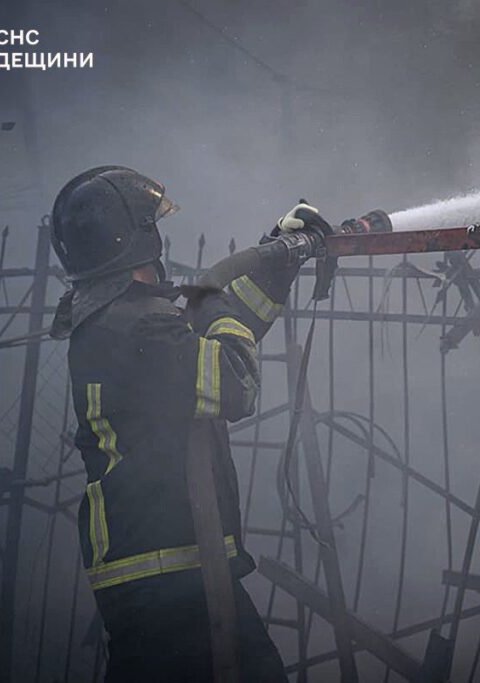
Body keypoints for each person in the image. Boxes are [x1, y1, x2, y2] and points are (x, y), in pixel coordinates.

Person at [49, 166, 328, 681]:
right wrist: (213, 300)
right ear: (136, 238)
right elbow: (235, 381)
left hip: (166, 571)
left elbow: (221, 336)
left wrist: (277, 260)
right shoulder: (138, 328)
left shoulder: (120, 320)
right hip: (167, 575)